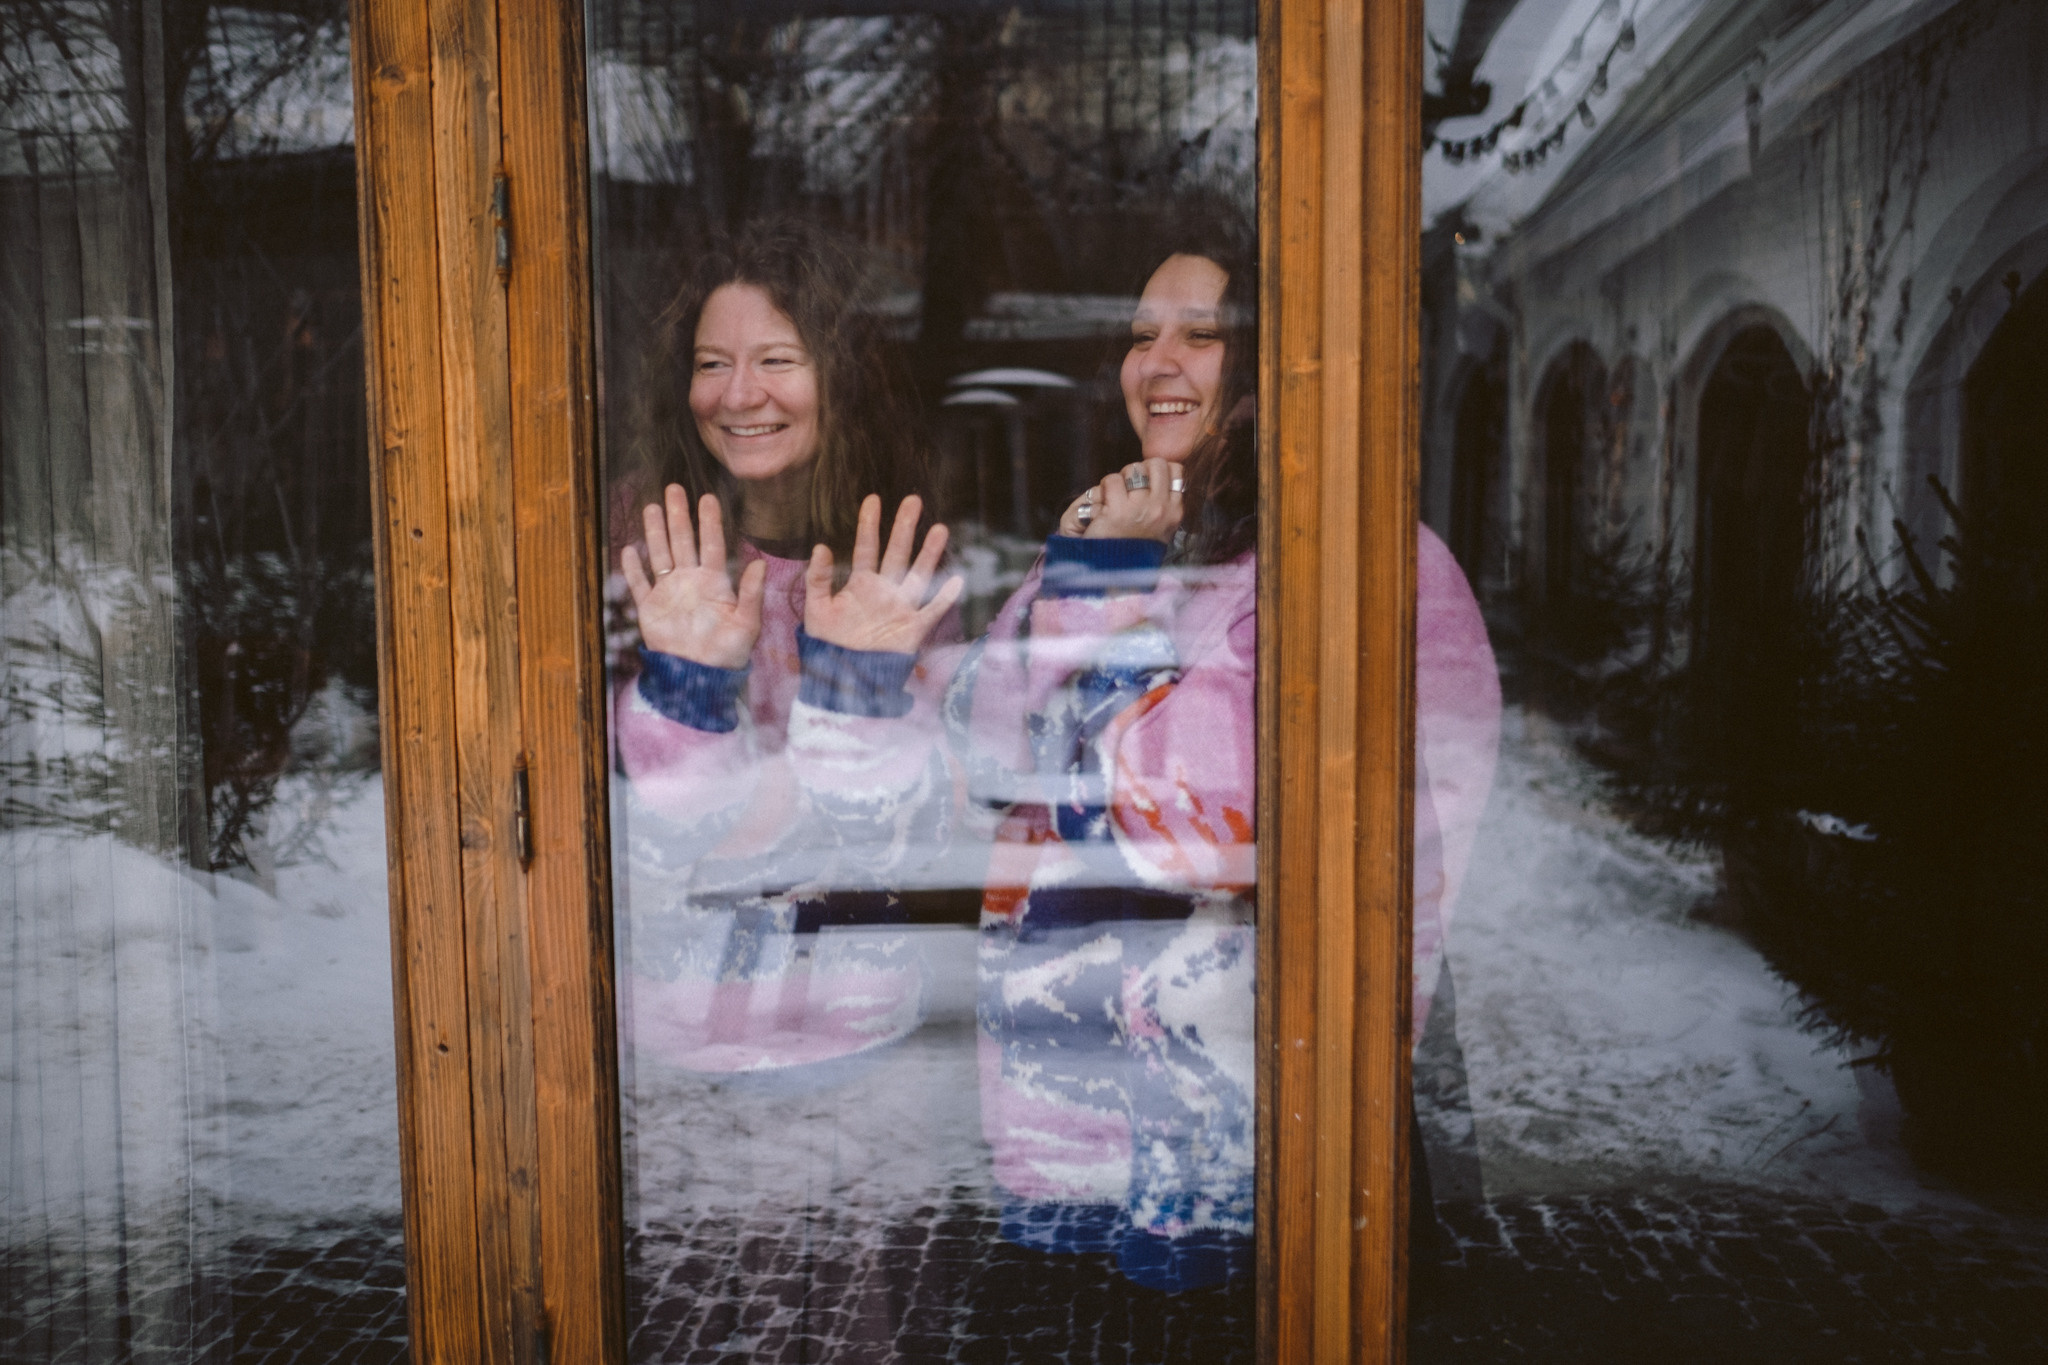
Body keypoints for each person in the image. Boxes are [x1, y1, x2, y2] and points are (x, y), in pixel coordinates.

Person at [952, 226, 1262, 1293]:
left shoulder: (1284, 564)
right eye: (1139, 335)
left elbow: (1186, 828)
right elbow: (980, 745)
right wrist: (1084, 577)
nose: (1156, 362)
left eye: (1202, 335)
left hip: (1204, 1160)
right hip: (1057, 1125)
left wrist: (1107, 610)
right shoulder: (1108, 528)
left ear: (1264, 369)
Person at [613, 221, 963, 1074]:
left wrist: (855, 694)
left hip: (855, 1037)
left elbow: (913, 843)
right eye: (710, 363)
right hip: (668, 1047)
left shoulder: (893, 557)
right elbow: (632, 833)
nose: (737, 395)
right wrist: (684, 692)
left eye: (776, 359)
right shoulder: (640, 536)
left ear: (839, 376)